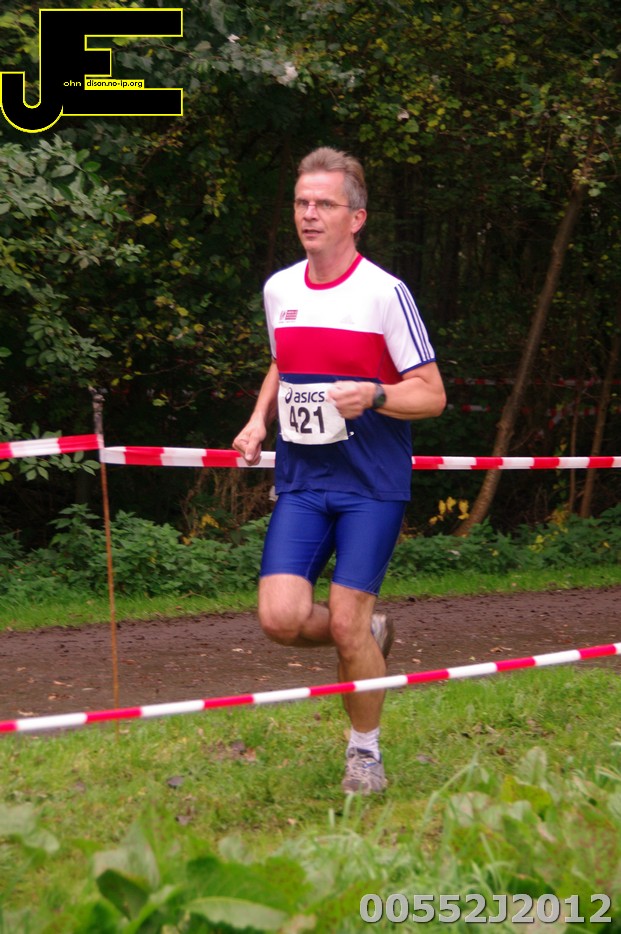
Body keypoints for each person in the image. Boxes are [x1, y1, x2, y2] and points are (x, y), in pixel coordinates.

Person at [233, 146, 446, 794]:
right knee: (280, 618)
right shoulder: (279, 289)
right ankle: (369, 637)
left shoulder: (385, 293)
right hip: (303, 481)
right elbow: (283, 361)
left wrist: (374, 395)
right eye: (302, 202)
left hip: (370, 485)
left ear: (356, 218)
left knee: (346, 620)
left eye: (324, 203)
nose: (309, 214)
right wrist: (258, 419)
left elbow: (432, 395)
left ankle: (364, 754)